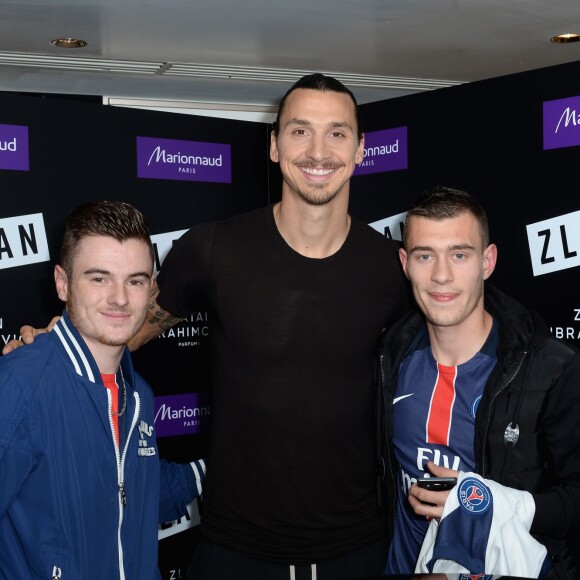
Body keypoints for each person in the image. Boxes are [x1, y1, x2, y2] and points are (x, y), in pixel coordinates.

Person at [3, 74, 411, 579]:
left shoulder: (391, 269)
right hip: (234, 546)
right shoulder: (214, 250)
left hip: (359, 546)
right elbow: (117, 329)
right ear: (274, 145)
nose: (318, 150)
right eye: (300, 131)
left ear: (361, 150)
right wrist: (47, 356)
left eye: (337, 133)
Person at [378, 186, 580, 578]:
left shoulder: (549, 369)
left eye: (459, 255)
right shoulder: (389, 356)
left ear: (487, 261)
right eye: (424, 256)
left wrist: (490, 503)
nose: (441, 275)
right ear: (405, 263)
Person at [0, 201, 206, 579]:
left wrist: (223, 468)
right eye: (99, 278)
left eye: (136, 280)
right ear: (62, 283)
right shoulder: (18, 386)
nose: (120, 298)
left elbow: (129, 495)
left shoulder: (138, 392)